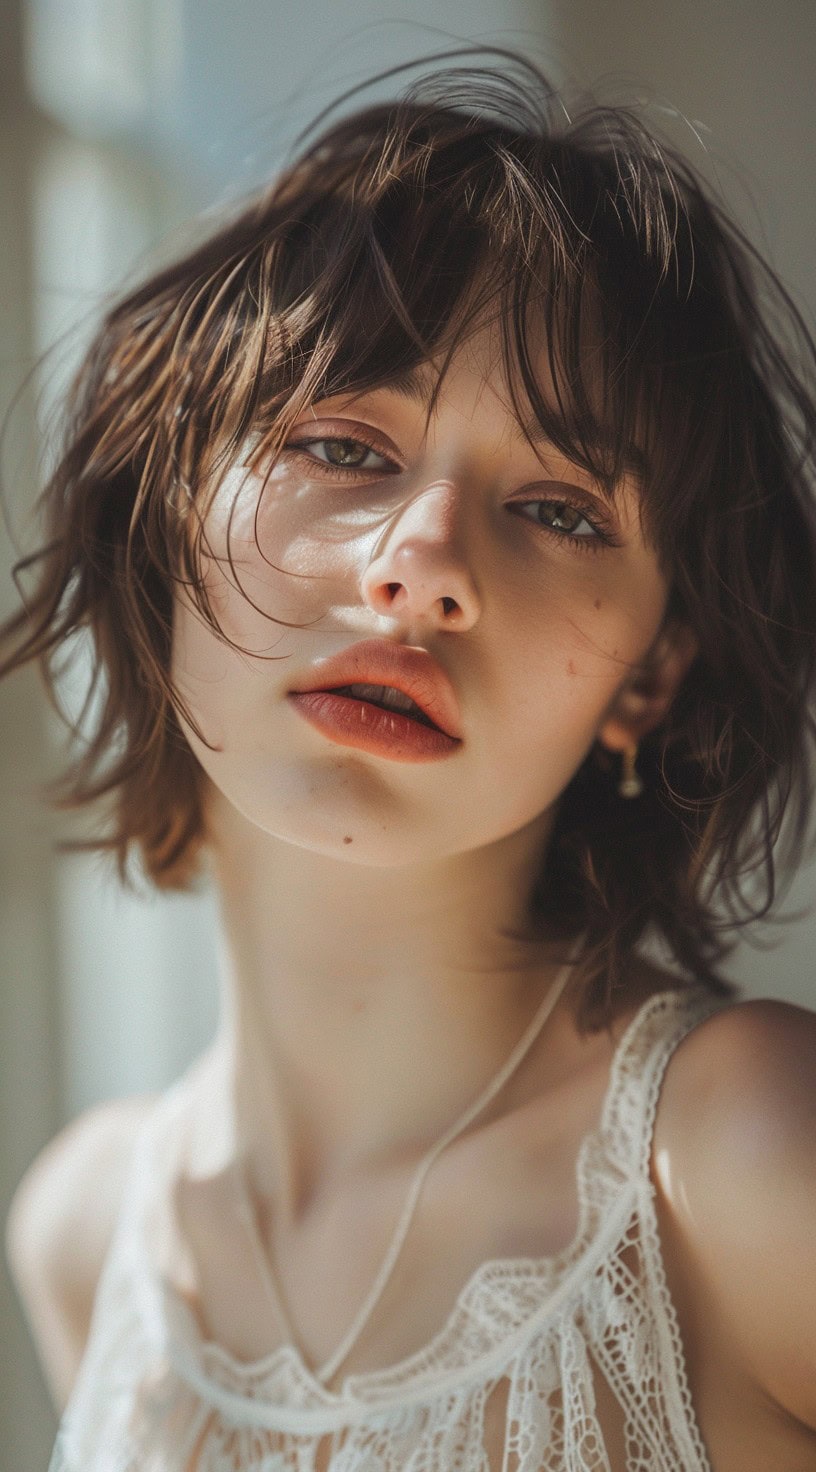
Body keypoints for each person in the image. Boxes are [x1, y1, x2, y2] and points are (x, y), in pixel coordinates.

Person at [3, 52, 816, 1472]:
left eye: (561, 511)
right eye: (341, 444)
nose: (424, 567)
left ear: (657, 672)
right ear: (160, 528)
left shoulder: (743, 1161)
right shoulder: (87, 1233)